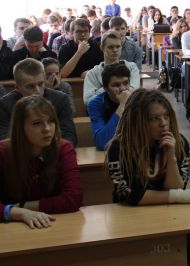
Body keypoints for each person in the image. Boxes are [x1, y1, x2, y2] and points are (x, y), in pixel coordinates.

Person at [105, 89, 190, 266]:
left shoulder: (178, 143)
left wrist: (171, 156)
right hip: (130, 214)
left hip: (169, 212)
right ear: (138, 121)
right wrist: (179, 196)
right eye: (154, 118)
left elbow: (177, 188)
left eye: (166, 116)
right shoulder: (120, 148)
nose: (163, 123)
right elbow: (133, 196)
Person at [0, 96, 83, 227]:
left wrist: (24, 206)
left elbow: (74, 198)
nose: (47, 129)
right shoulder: (3, 151)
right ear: (20, 127)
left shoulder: (63, 148)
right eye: (37, 123)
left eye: (51, 121)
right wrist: (18, 213)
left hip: (54, 223)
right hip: (11, 227)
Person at [0, 59, 77, 146]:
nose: (37, 91)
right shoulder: (5, 105)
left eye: (40, 84)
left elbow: (69, 136)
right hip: (21, 153)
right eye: (30, 86)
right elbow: (4, 140)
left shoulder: (60, 99)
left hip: (54, 151)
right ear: (17, 87)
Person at [83, 32, 140, 105]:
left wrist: (103, 90)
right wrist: (109, 87)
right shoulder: (92, 73)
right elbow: (88, 101)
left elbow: (134, 93)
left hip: (127, 109)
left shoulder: (132, 67)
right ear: (102, 48)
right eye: (110, 47)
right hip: (103, 110)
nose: (115, 50)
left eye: (118, 46)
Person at [87, 63, 132, 150]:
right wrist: (122, 105)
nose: (123, 89)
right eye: (116, 85)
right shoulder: (96, 104)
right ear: (106, 88)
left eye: (126, 83)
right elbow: (102, 142)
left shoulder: (138, 100)